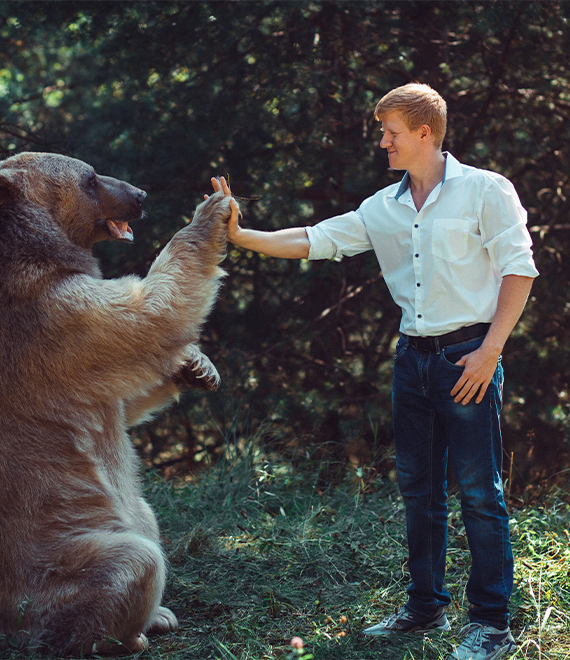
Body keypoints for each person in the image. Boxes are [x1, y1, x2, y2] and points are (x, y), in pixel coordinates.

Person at [214, 83, 537, 660]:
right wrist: (240, 235)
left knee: (479, 494)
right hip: (411, 361)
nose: (383, 142)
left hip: (469, 357)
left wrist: (490, 352)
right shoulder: (381, 207)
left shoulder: (486, 190)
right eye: (382, 132)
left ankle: (491, 624)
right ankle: (425, 608)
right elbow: (313, 239)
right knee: (419, 491)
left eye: (391, 132)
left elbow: (519, 270)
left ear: (424, 133)